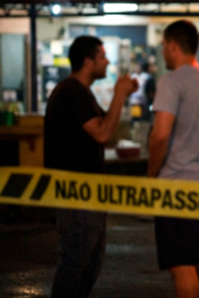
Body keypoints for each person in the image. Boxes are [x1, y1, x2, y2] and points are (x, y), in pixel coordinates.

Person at [44, 35, 138, 298]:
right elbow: (102, 133)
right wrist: (119, 94)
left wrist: (122, 96)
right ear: (88, 62)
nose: (107, 62)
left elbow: (103, 128)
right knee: (76, 261)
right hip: (76, 192)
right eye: (102, 57)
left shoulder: (81, 93)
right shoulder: (72, 92)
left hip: (88, 191)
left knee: (90, 261)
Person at [148, 20, 199, 298]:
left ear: (173, 46)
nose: (162, 53)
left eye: (163, 47)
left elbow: (160, 136)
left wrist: (151, 175)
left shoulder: (171, 81)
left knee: (182, 266)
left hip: (178, 186)